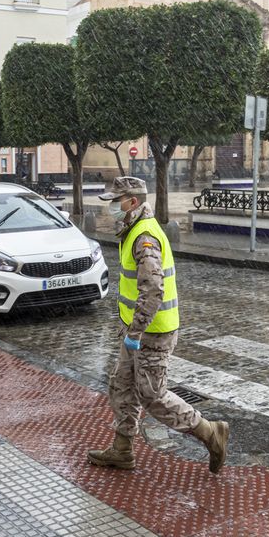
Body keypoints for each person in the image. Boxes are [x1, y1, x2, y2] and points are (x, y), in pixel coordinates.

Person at [87, 176, 229, 473]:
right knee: (121, 385)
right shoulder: (132, 229)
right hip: (135, 331)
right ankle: (122, 449)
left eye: (117, 201)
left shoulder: (144, 237)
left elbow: (153, 289)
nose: (112, 206)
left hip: (152, 332)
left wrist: (135, 332)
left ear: (132, 203)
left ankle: (210, 432)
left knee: (152, 395)